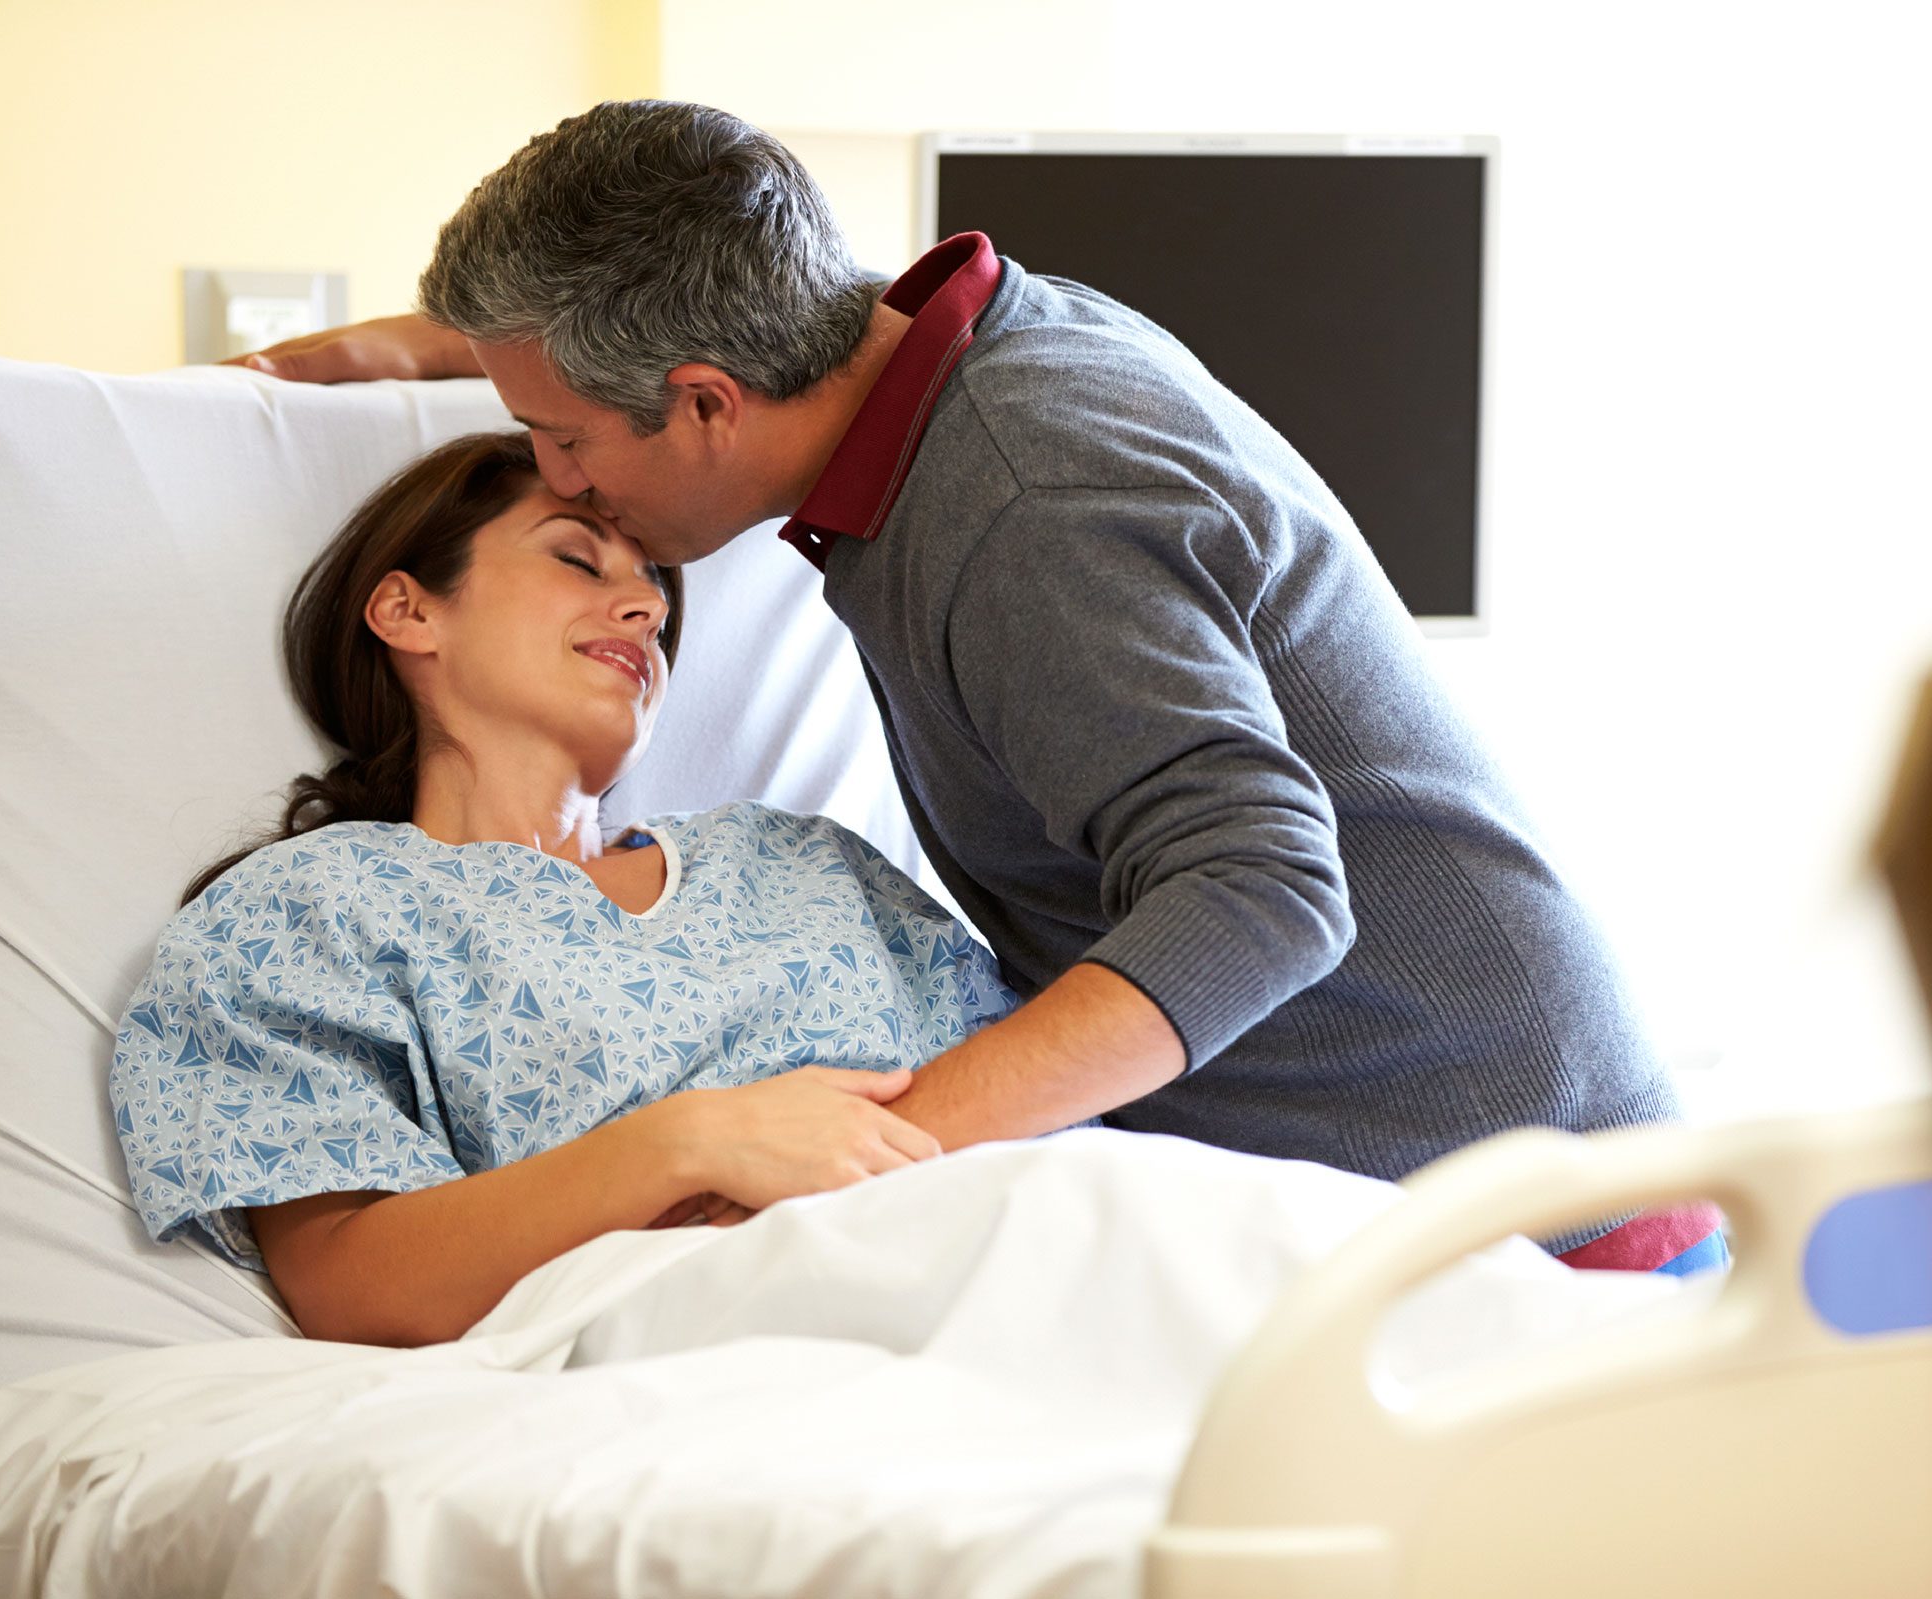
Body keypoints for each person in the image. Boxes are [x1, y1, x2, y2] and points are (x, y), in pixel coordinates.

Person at [241, 101, 1724, 1273]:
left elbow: (1263, 891)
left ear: (703, 401)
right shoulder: (969, 344)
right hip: (1455, 1165)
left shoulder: (1016, 502)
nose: (582, 494)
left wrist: (821, 1186)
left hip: (1507, 1212)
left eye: (562, 438)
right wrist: (431, 352)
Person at [110, 431, 1019, 1346]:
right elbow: (355, 1287)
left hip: (997, 1272)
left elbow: (1037, 1099)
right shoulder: (311, 911)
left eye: (656, 596)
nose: (642, 609)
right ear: (407, 611)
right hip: (710, 1352)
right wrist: (690, 1143)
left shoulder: (804, 862)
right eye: (578, 559)